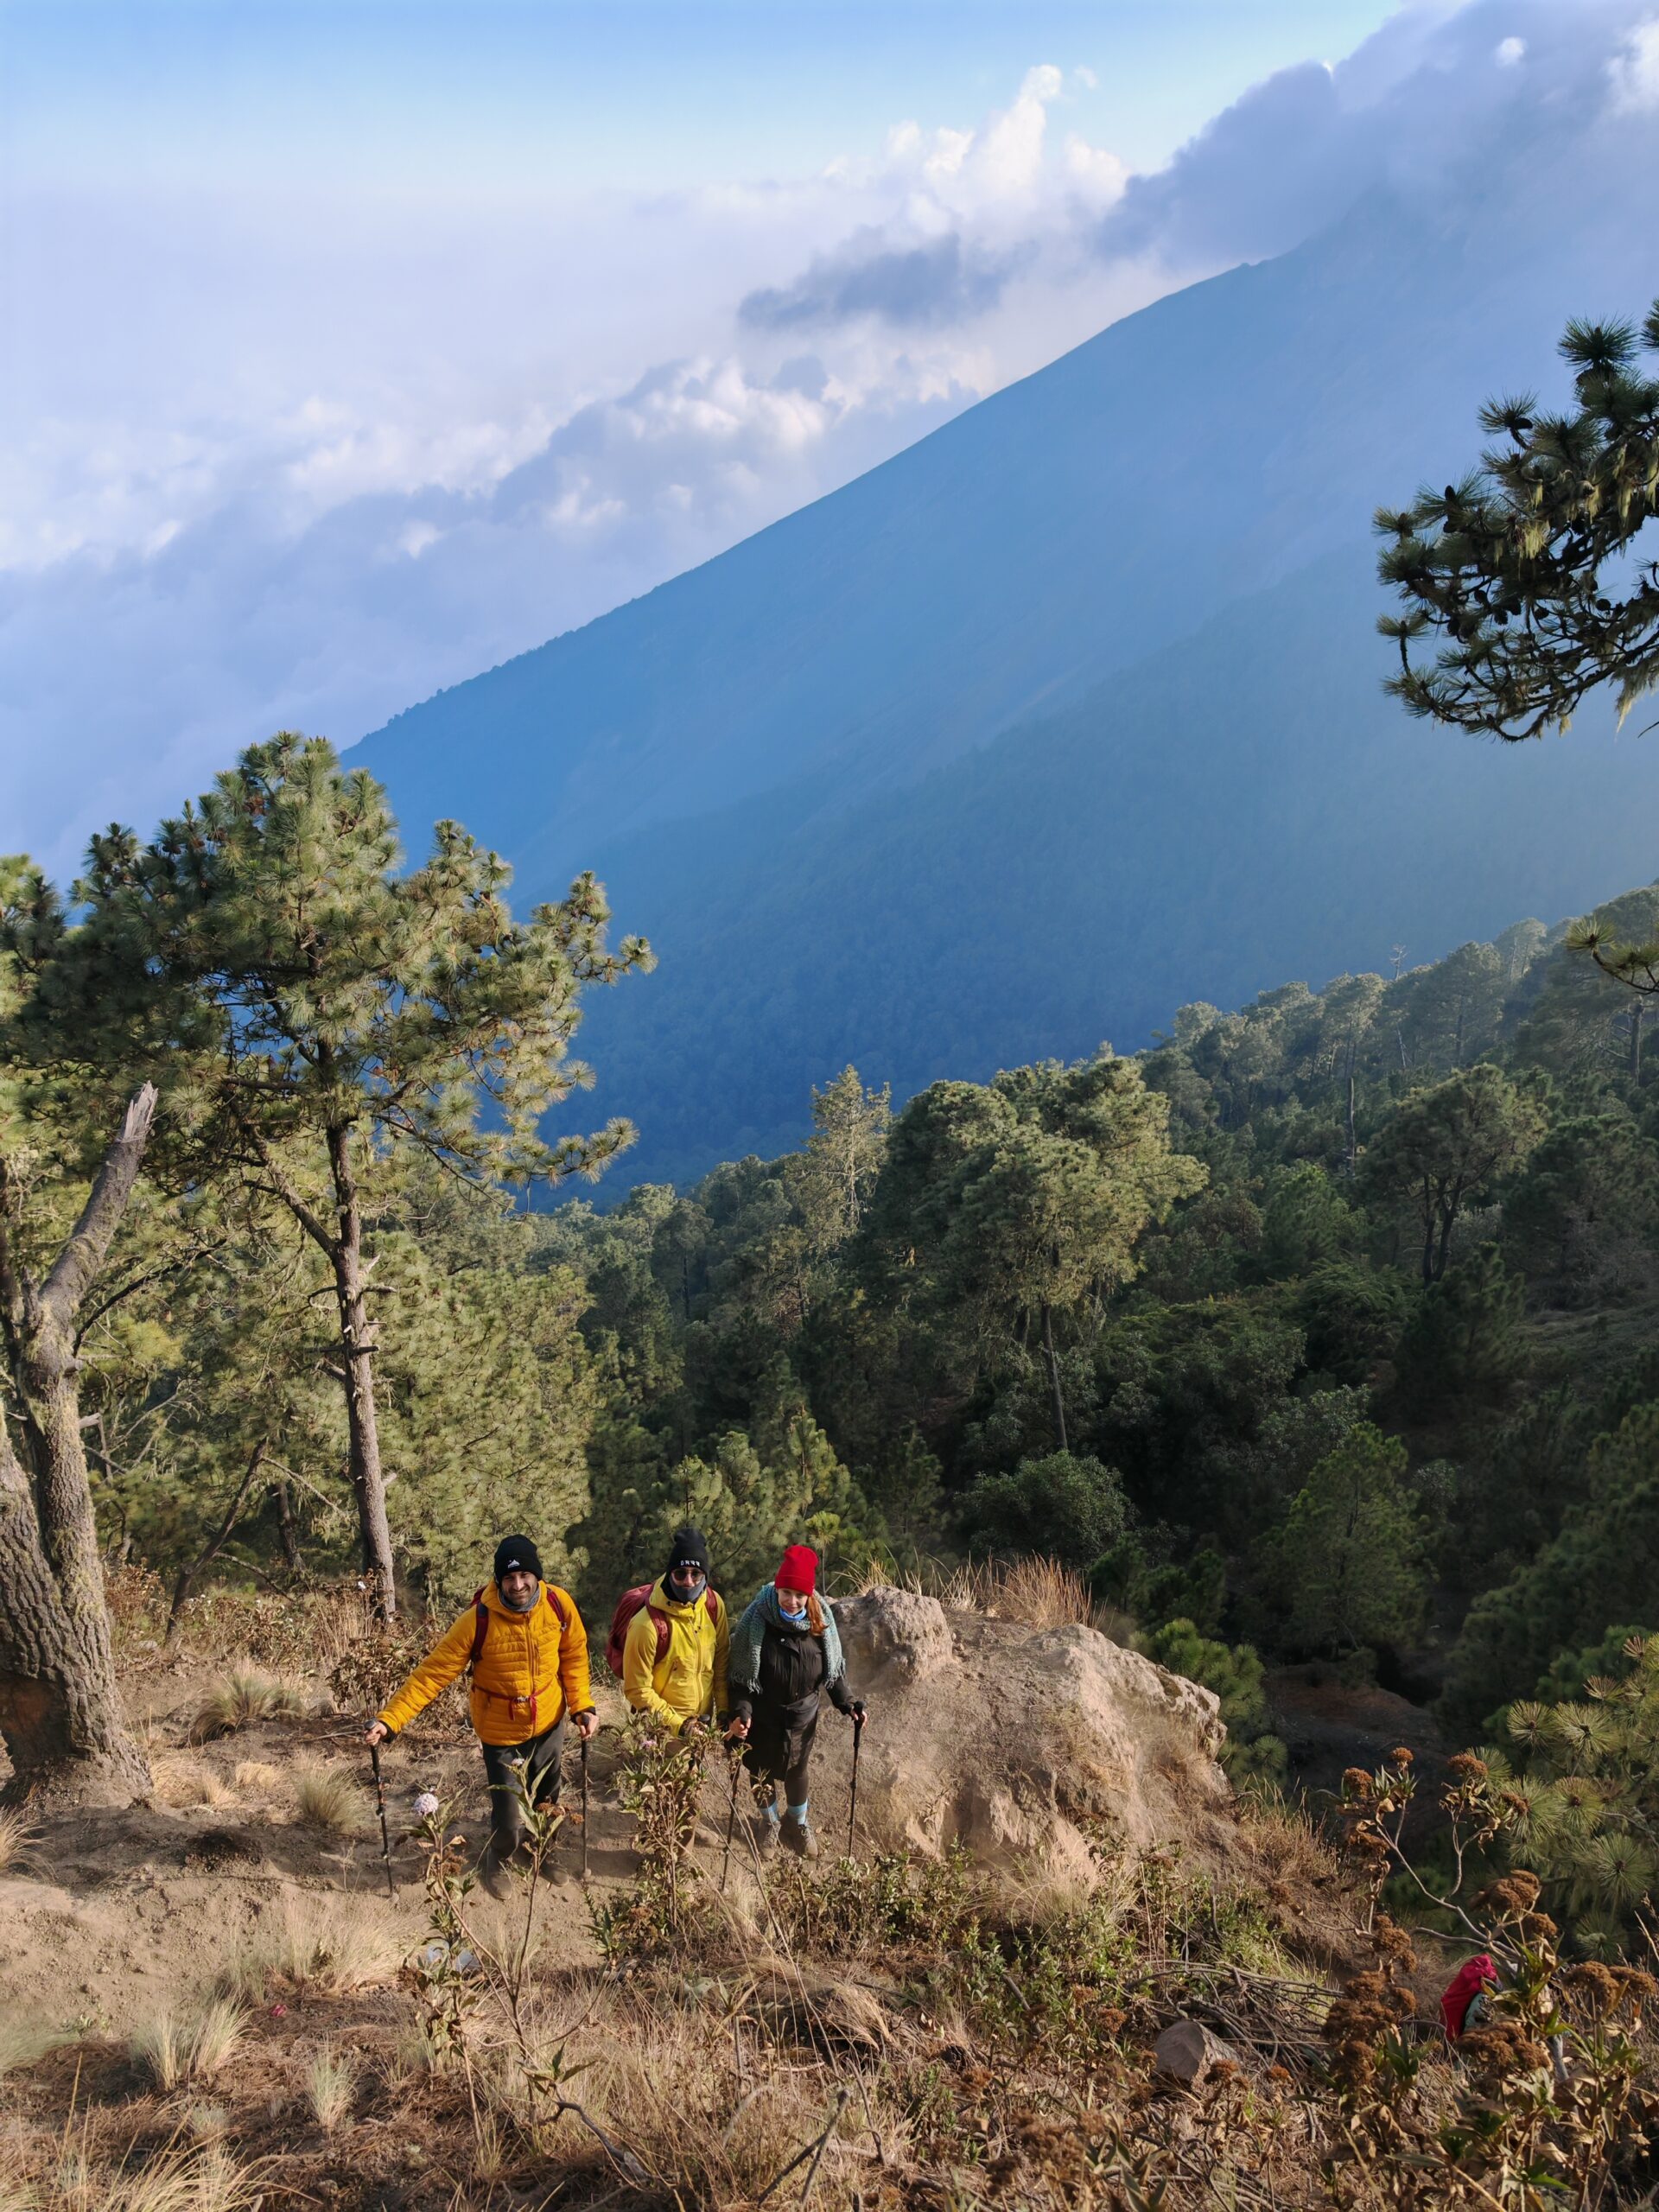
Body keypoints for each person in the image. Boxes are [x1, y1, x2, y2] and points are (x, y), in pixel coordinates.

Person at [365, 1535, 597, 1892]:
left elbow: (575, 1656)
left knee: (548, 1801)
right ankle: (498, 1857)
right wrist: (390, 1719)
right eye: (508, 1579)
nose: (517, 1586)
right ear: (498, 1580)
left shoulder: (558, 1604)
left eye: (524, 1577)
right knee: (507, 1818)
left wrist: (582, 1706)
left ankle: (541, 1851)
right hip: (500, 1732)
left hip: (550, 1721)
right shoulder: (478, 1620)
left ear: (537, 1575)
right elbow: (432, 1674)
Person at [725, 1543, 864, 1860]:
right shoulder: (757, 1619)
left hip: (803, 1716)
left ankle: (797, 1823)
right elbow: (741, 1677)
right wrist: (742, 1711)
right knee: (759, 1769)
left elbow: (832, 1673)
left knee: (797, 1771)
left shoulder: (820, 1623)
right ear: (777, 1588)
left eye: (799, 1595)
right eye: (786, 1592)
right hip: (762, 1714)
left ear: (809, 1595)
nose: (792, 1601)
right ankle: (770, 1823)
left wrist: (848, 1703)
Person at [620, 1524, 730, 1736]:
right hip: (662, 1733)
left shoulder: (714, 1605)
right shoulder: (647, 1625)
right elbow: (637, 1689)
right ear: (670, 1574)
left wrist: (724, 1710)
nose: (688, 1582)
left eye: (696, 1574)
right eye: (680, 1573)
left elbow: (721, 1660)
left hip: (703, 1728)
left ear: (705, 1576)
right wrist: (680, 1727)